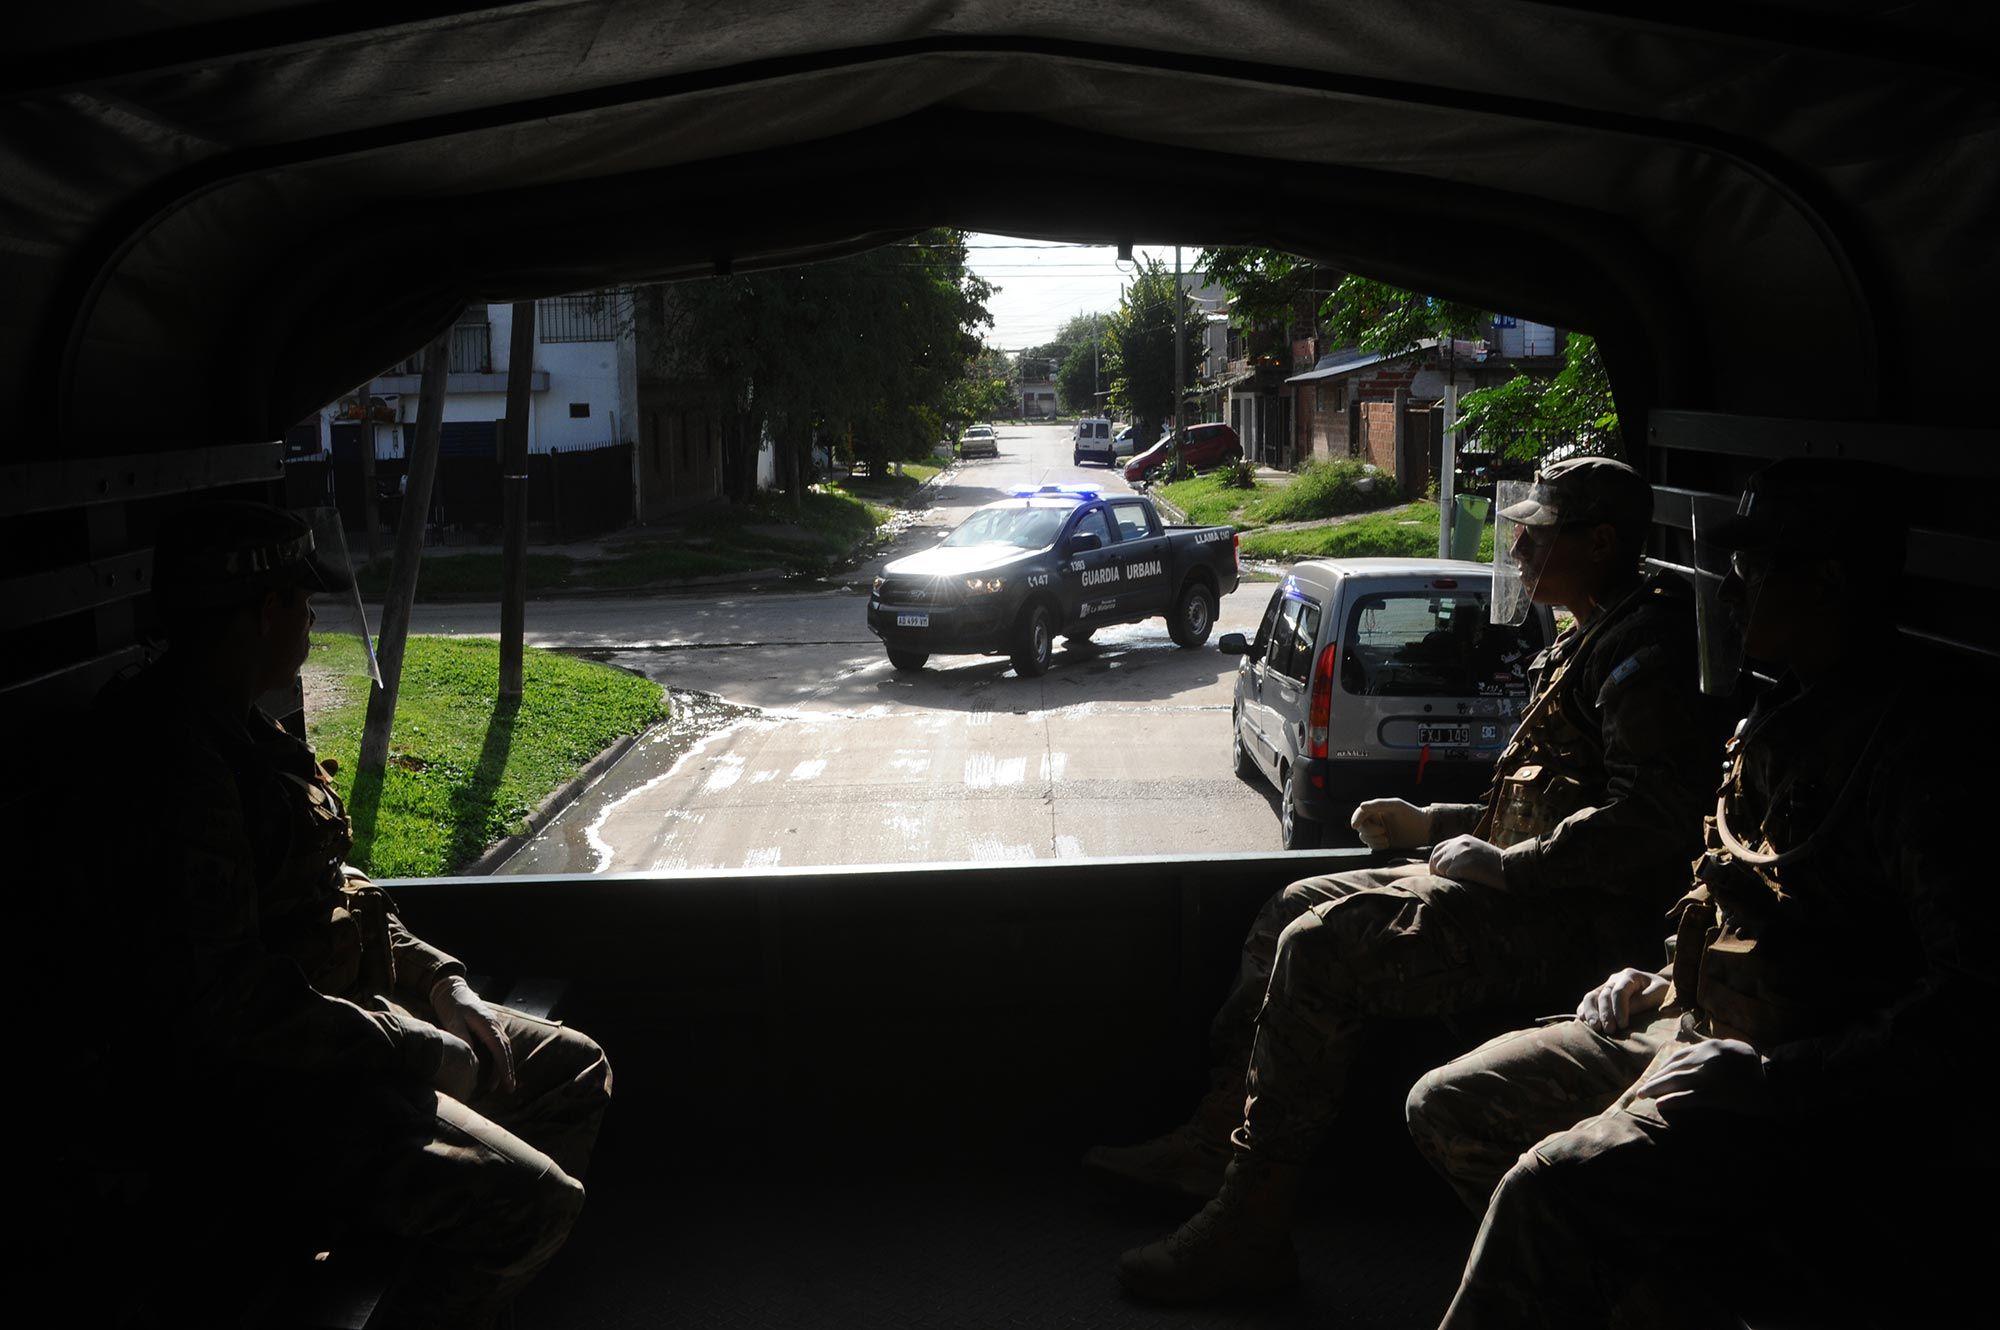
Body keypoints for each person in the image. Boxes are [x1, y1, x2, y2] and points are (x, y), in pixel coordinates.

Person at [1097, 456, 1730, 1303]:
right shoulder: (1587, 637)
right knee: (1290, 903)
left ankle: (1251, 1226)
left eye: (1540, 531)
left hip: (1581, 923)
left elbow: (1646, 824)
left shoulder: (1642, 657)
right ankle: (1221, 1139)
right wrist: (1437, 823)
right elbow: (1547, 797)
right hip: (1530, 890)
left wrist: (1508, 866)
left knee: (1323, 947)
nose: (1517, 543)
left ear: (1601, 542)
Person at [1404, 459, 1996, 1328]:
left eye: (1754, 570)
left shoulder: (1918, 757)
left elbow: (1974, 1006)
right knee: (1448, 1103)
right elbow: (1732, 883)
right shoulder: (1778, 713)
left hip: (1807, 1091)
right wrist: (1662, 975)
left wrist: (1774, 1077)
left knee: (1546, 1191)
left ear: (1829, 582)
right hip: (1695, 1026)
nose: (1728, 587)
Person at [88, 500, 610, 1329]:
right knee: (539, 1205)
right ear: (267, 614)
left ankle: (464, 1235)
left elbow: (334, 888)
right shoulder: (179, 773)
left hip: (350, 1027)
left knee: (574, 1069)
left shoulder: (245, 731)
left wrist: (443, 986)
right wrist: (413, 1047)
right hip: (275, 1094)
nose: (312, 618)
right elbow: (227, 1005)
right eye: (302, 602)